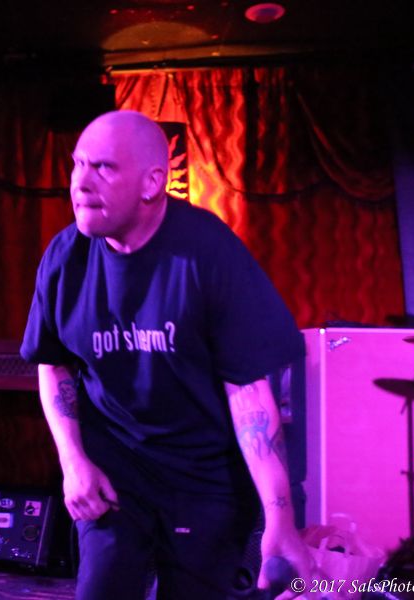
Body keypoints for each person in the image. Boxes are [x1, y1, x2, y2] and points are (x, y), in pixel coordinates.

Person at [20, 110, 313, 599]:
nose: (80, 183)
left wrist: (280, 519)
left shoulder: (208, 253)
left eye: (103, 167)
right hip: (114, 471)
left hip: (204, 477)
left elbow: (248, 391)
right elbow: (52, 363)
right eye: (77, 164)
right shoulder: (65, 257)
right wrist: (73, 461)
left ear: (153, 182)